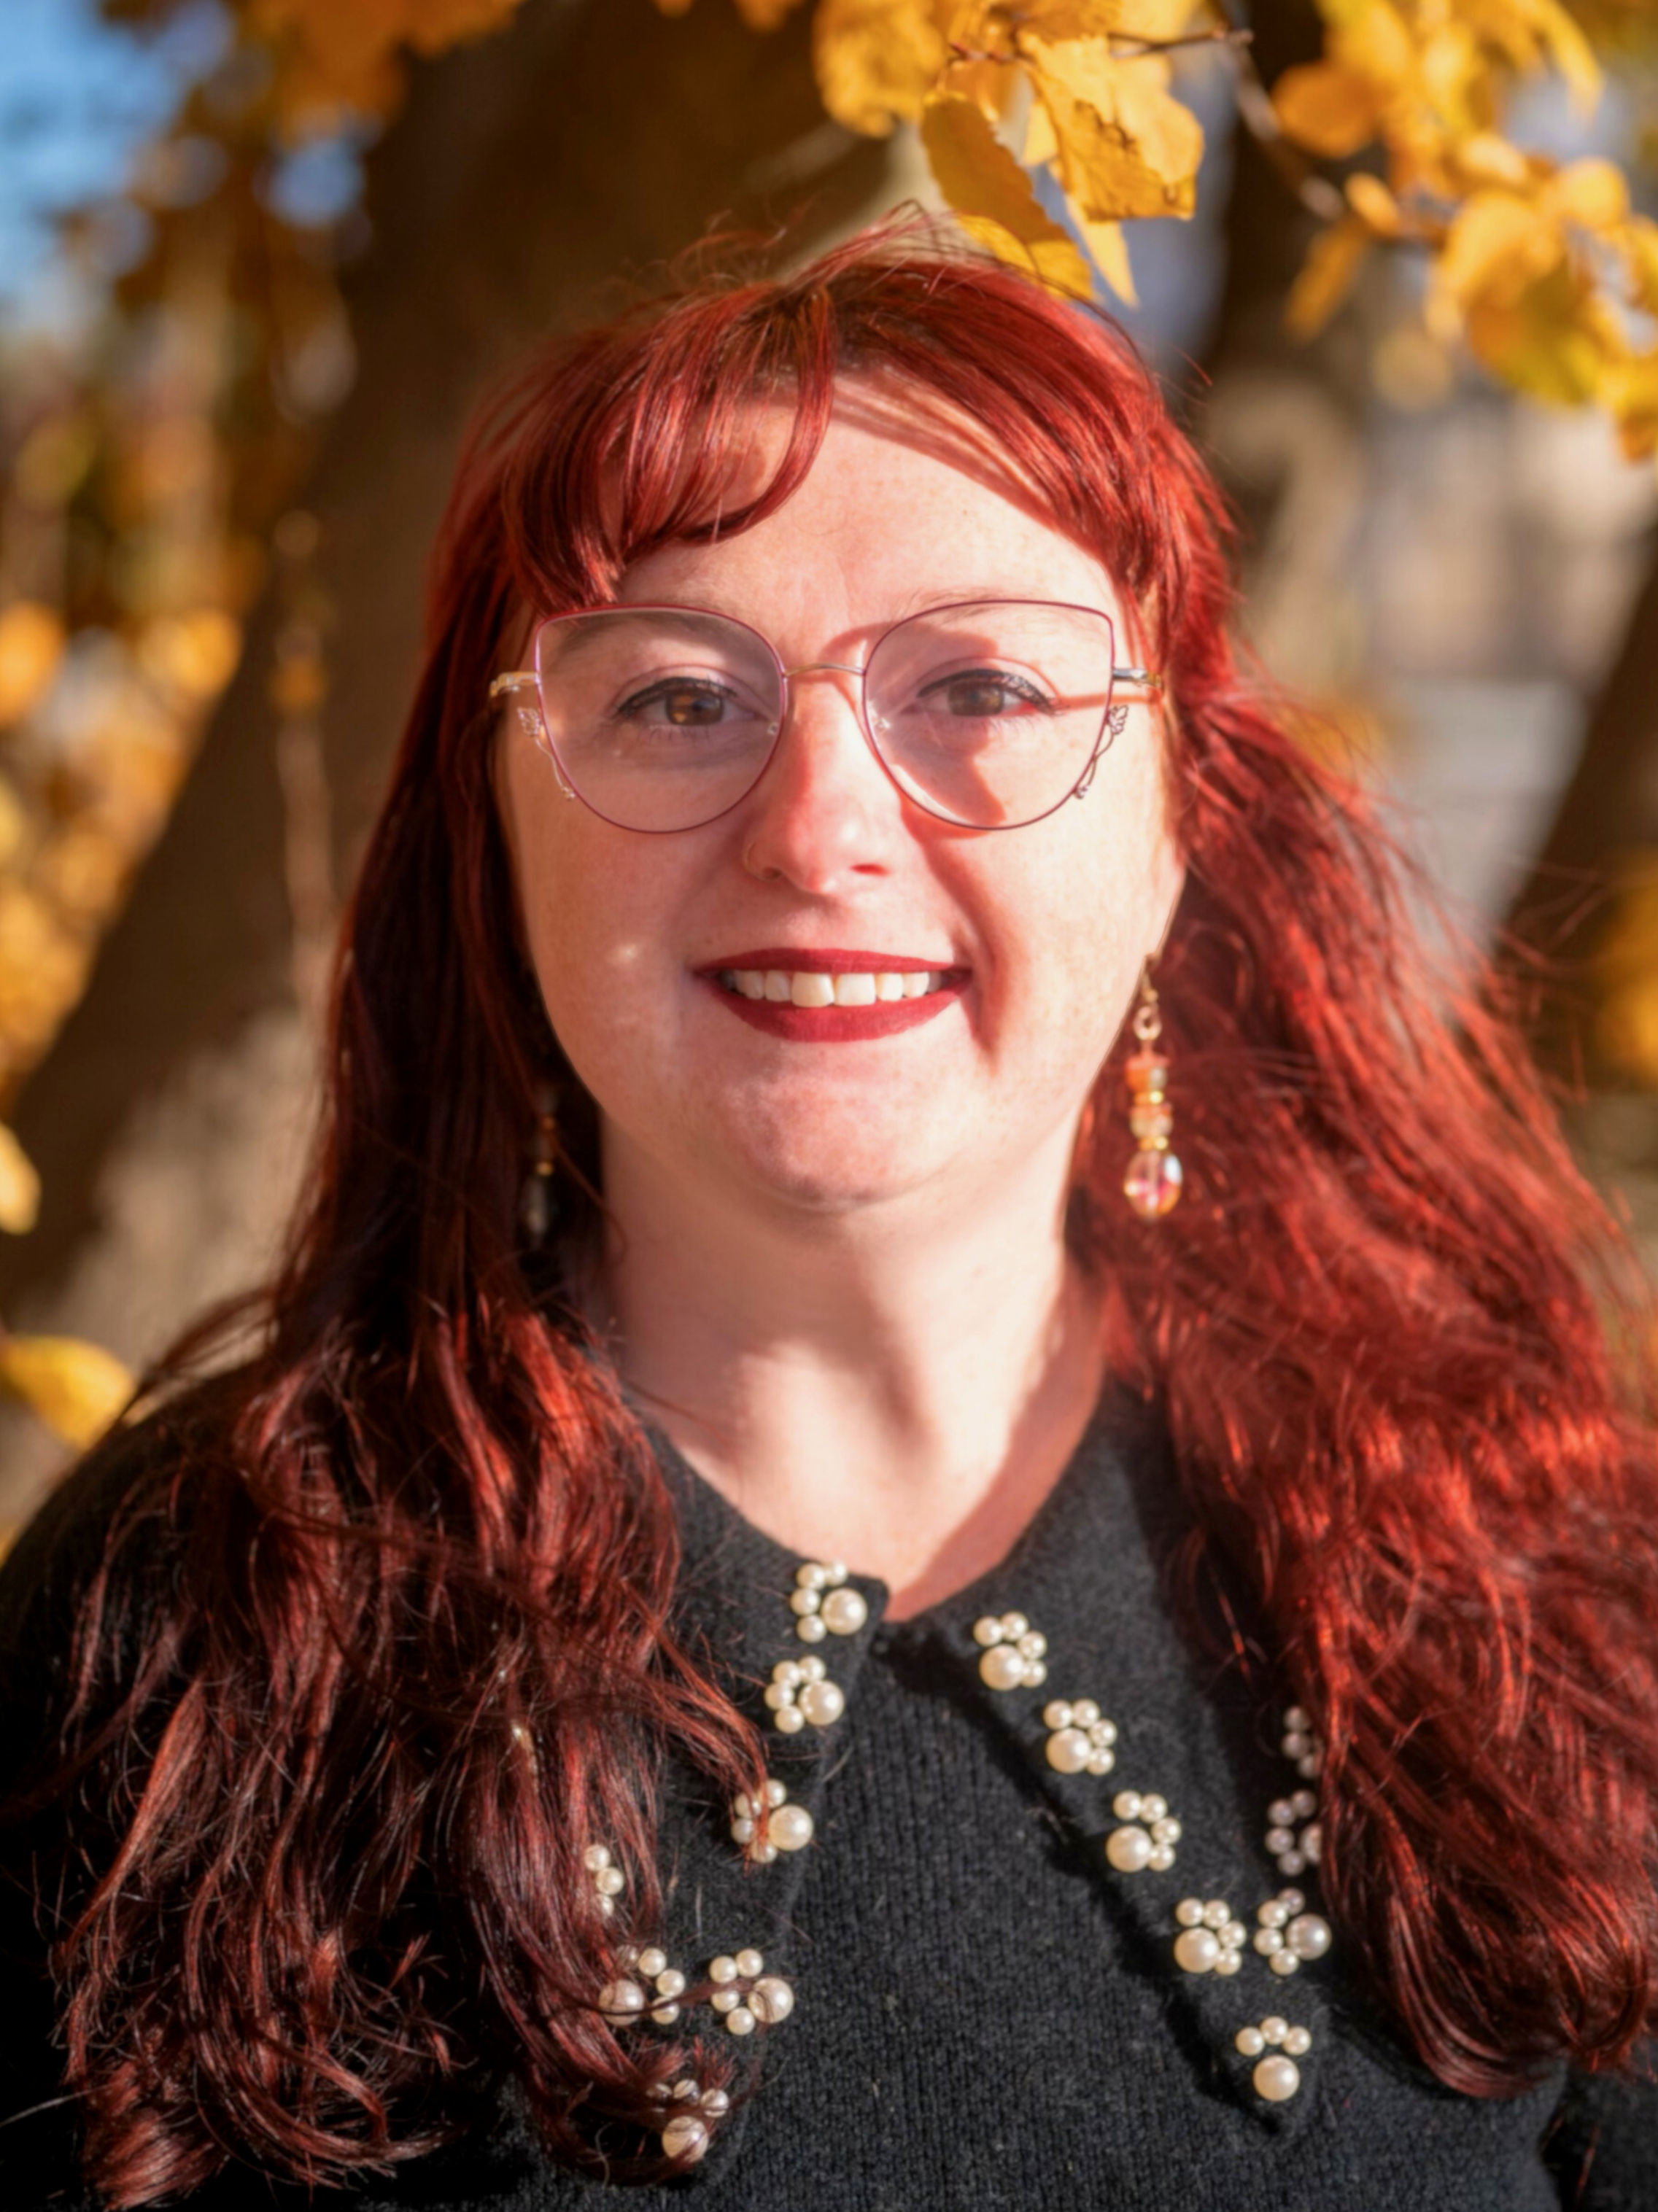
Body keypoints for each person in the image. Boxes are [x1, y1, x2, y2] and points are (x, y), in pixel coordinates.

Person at [1, 219, 1655, 2211]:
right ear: (495, 830)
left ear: (1178, 830)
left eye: (977, 686)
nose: (817, 828)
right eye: (679, 701)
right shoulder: (197, 1630)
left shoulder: (1530, 1584)